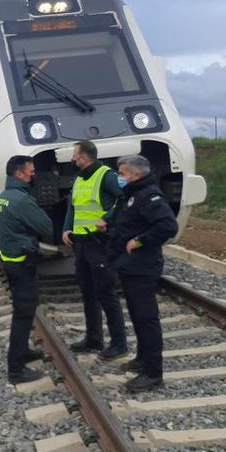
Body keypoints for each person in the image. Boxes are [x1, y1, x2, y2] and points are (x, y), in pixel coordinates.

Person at [111, 154, 178, 392]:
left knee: (146, 318)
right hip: (131, 266)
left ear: (136, 174)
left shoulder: (149, 196)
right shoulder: (133, 194)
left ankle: (153, 372)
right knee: (138, 316)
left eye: (122, 173)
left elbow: (168, 226)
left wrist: (139, 241)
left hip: (143, 266)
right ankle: (142, 358)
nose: (120, 178)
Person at [62, 141, 128, 360]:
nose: (73, 159)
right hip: (81, 244)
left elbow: (124, 199)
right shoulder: (79, 178)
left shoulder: (106, 176)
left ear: (84, 157)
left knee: (106, 293)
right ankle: (94, 338)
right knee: (87, 292)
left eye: (75, 155)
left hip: (99, 243)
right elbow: (73, 206)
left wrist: (107, 218)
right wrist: (66, 228)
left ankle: (119, 344)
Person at [0, 155, 53, 384]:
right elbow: (46, 227)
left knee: (23, 310)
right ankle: (16, 369)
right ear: (19, 174)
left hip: (11, 262)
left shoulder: (3, 197)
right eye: (31, 172)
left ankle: (24, 353)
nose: (34, 175)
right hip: (22, 264)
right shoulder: (20, 200)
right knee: (23, 314)